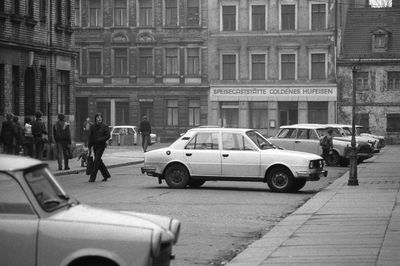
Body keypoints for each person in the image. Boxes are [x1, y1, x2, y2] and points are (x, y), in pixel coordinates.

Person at [88, 113, 111, 182]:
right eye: (98, 117)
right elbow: (90, 137)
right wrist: (89, 146)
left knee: (96, 160)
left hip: (101, 145)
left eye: (100, 117)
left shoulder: (104, 126)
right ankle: (106, 174)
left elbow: (108, 136)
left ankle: (92, 177)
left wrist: (101, 139)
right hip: (95, 145)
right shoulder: (92, 127)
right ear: (95, 118)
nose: (99, 118)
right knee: (99, 161)